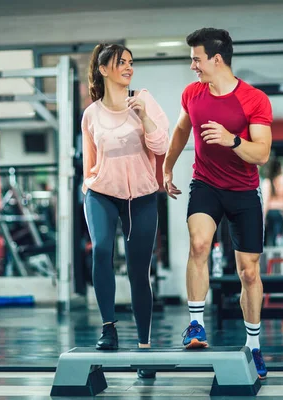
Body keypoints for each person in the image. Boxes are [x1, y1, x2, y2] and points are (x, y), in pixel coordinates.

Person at [162, 28, 272, 380]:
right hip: (205, 183)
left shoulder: (254, 99)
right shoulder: (192, 94)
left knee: (249, 272)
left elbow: (262, 154)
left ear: (216, 59)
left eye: (196, 58)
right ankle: (196, 325)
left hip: (243, 191)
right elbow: (181, 130)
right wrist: (166, 165)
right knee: (198, 244)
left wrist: (232, 140)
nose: (192, 65)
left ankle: (253, 346)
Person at [82, 43, 169, 378]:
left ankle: (144, 349)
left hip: (142, 194)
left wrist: (143, 116)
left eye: (131, 63)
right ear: (104, 70)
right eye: (121, 63)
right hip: (101, 192)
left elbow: (160, 146)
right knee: (102, 249)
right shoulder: (90, 114)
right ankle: (108, 328)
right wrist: (87, 187)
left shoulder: (143, 99)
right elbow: (90, 161)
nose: (128, 68)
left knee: (138, 270)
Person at [261, 158, 283, 246]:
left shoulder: (267, 182)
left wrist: (263, 218)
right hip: (282, 212)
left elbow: (265, 202)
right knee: (279, 234)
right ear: (280, 168)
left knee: (269, 236)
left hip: (270, 212)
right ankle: (279, 239)